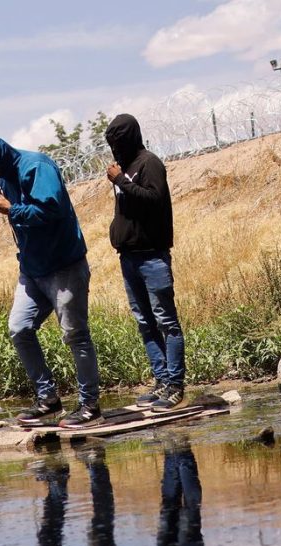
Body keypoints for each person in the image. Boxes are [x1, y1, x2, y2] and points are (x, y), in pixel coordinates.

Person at [0, 135, 102, 428]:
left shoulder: (36, 166)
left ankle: (89, 405)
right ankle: (48, 398)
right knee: (19, 328)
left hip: (63, 267)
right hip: (32, 270)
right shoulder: (5, 176)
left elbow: (52, 210)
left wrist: (12, 210)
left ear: (1, 155)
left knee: (75, 335)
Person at [104, 114, 187, 412]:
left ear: (129, 138)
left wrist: (122, 181)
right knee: (145, 322)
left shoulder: (148, 163)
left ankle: (175, 385)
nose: (114, 148)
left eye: (117, 141)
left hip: (152, 256)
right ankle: (162, 380)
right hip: (129, 257)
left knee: (166, 322)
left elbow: (154, 200)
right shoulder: (124, 167)